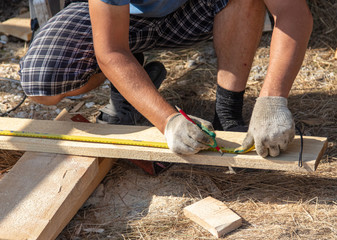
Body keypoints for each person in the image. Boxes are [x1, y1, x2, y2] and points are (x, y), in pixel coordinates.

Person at [19, 0, 313, 157]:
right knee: (40, 83)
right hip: (121, 16)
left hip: (197, 11)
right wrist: (168, 121)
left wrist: (273, 100)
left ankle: (228, 113)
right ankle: (132, 84)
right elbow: (110, 50)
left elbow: (291, 11)